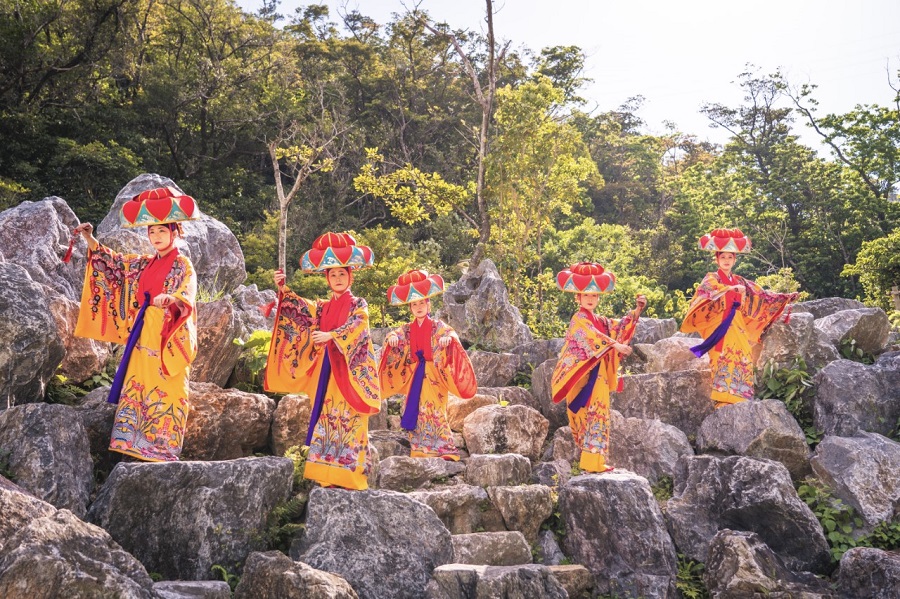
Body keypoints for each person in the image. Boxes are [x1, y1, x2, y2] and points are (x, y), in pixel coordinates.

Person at [74, 186, 198, 462]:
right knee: (139, 380)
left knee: (167, 385)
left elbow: (187, 293)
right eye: (152, 232)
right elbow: (115, 264)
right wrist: (90, 238)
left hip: (167, 333)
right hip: (143, 331)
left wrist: (172, 299)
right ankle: (130, 439)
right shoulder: (145, 263)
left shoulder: (183, 264)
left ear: (175, 232)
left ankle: (162, 446)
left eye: (162, 231)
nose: (156, 237)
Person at [265, 232, 381, 490]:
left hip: (349, 372)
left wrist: (332, 335)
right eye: (333, 275)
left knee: (349, 419)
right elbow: (302, 313)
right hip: (327, 372)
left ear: (350, 276)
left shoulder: (358, 303)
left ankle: (350, 475)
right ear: (327, 279)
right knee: (329, 418)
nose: (338, 278)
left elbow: (359, 325)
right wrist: (284, 290)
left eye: (342, 274)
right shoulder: (323, 307)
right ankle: (327, 474)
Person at [681, 228, 798, 408]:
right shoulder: (711, 278)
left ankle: (739, 396)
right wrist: (729, 290)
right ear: (717, 259)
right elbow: (707, 293)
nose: (726, 261)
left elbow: (762, 295)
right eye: (723, 258)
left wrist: (784, 297)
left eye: (730, 258)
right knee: (721, 357)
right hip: (719, 325)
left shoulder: (740, 281)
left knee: (743, 354)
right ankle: (722, 398)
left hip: (737, 324)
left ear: (734, 260)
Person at [551, 262, 646, 474]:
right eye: (586, 296)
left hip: (599, 376)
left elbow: (618, 326)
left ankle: (595, 461)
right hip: (583, 377)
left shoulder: (600, 320)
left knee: (600, 413)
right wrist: (615, 345)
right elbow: (593, 338)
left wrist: (637, 311)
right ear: (578, 298)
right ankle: (590, 461)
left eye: (594, 296)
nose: (591, 299)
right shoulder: (579, 319)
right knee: (588, 414)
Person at [378, 269, 477, 461]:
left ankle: (444, 448)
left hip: (433, 374)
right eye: (414, 304)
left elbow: (451, 333)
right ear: (410, 308)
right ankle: (420, 448)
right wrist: (391, 339)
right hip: (416, 373)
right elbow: (395, 335)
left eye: (421, 302)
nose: (418, 307)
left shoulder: (437, 325)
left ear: (428, 303)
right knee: (418, 409)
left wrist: (448, 339)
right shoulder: (407, 329)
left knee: (435, 408)